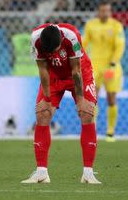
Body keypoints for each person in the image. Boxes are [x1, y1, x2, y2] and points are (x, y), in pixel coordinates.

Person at [21, 23, 101, 184]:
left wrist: (80, 100)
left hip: (79, 73)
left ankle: (88, 173)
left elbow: (76, 71)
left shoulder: (72, 36)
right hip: (53, 76)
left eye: (55, 50)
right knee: (43, 114)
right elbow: (43, 70)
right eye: (49, 52)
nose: (53, 54)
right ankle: (41, 172)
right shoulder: (36, 39)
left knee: (86, 114)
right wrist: (47, 100)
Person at [83, 1, 125, 142]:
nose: (105, 13)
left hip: (110, 67)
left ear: (110, 11)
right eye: (102, 10)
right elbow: (84, 43)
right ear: (98, 11)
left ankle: (110, 132)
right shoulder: (90, 25)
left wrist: (114, 61)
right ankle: (92, 130)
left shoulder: (116, 26)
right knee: (92, 98)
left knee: (111, 98)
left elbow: (120, 46)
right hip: (94, 67)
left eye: (108, 10)